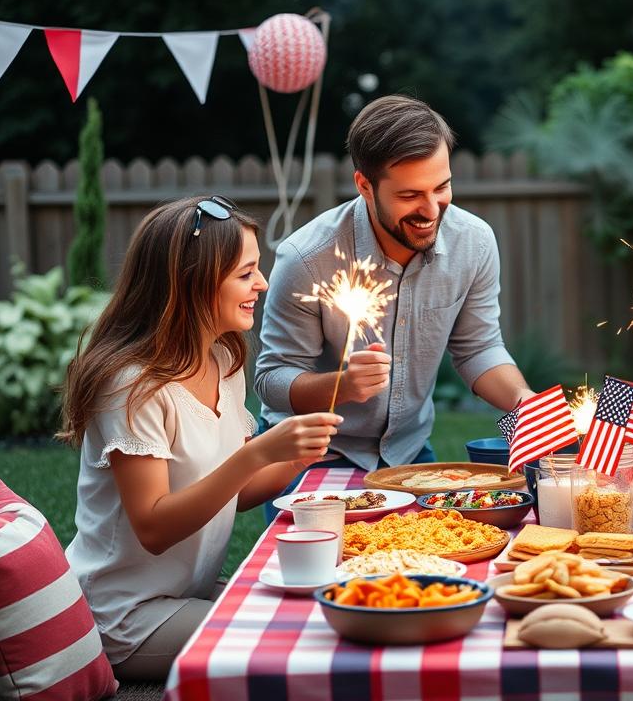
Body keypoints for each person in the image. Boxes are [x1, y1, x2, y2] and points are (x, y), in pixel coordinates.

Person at [59, 197, 341, 680]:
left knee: (316, 606)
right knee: (296, 643)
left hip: (186, 594)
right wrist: (257, 452)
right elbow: (154, 528)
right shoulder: (131, 386)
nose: (263, 283)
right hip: (123, 615)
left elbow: (232, 492)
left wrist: (293, 459)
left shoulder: (222, 360)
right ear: (193, 280)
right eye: (245, 273)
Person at [255, 95, 532, 480]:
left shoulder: (474, 242)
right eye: (409, 195)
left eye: (442, 187)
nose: (432, 210)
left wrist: (524, 402)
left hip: (408, 450)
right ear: (365, 186)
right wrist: (345, 385)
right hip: (312, 454)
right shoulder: (306, 257)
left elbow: (479, 348)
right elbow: (272, 380)